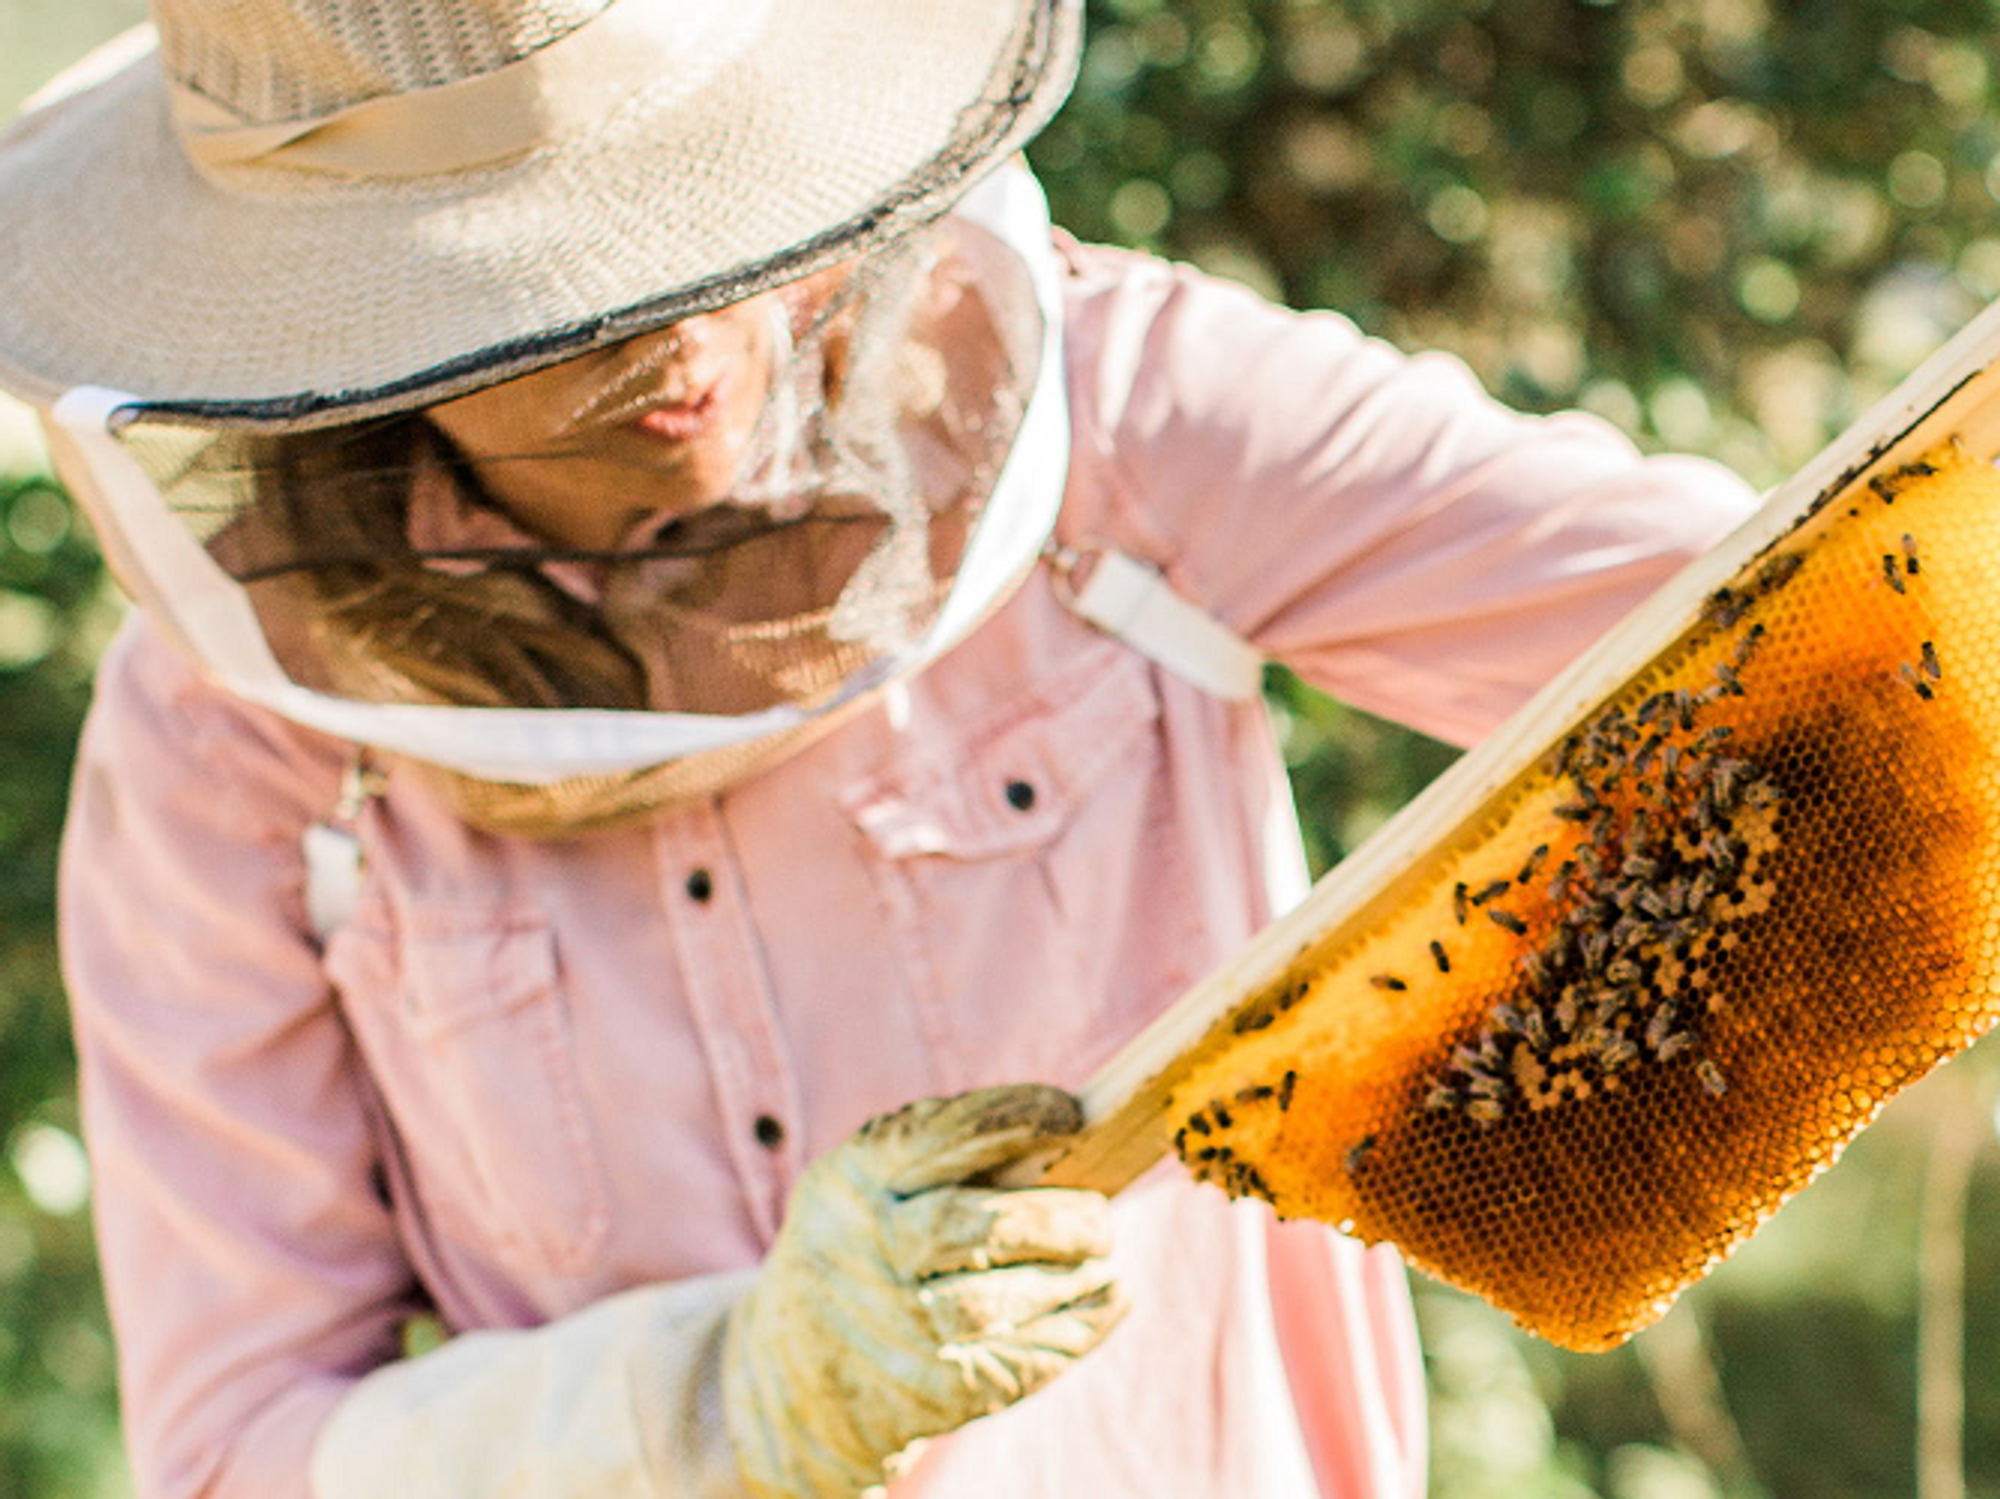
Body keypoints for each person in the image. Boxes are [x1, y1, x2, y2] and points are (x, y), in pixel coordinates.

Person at [0, 1, 1760, 1496]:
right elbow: (236, 1448)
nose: (677, 324)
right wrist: (726, 1392)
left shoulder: (1117, 417)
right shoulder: (228, 751)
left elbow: (1784, 616)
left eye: (683, 189)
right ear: (333, 317)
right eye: (543, 266)